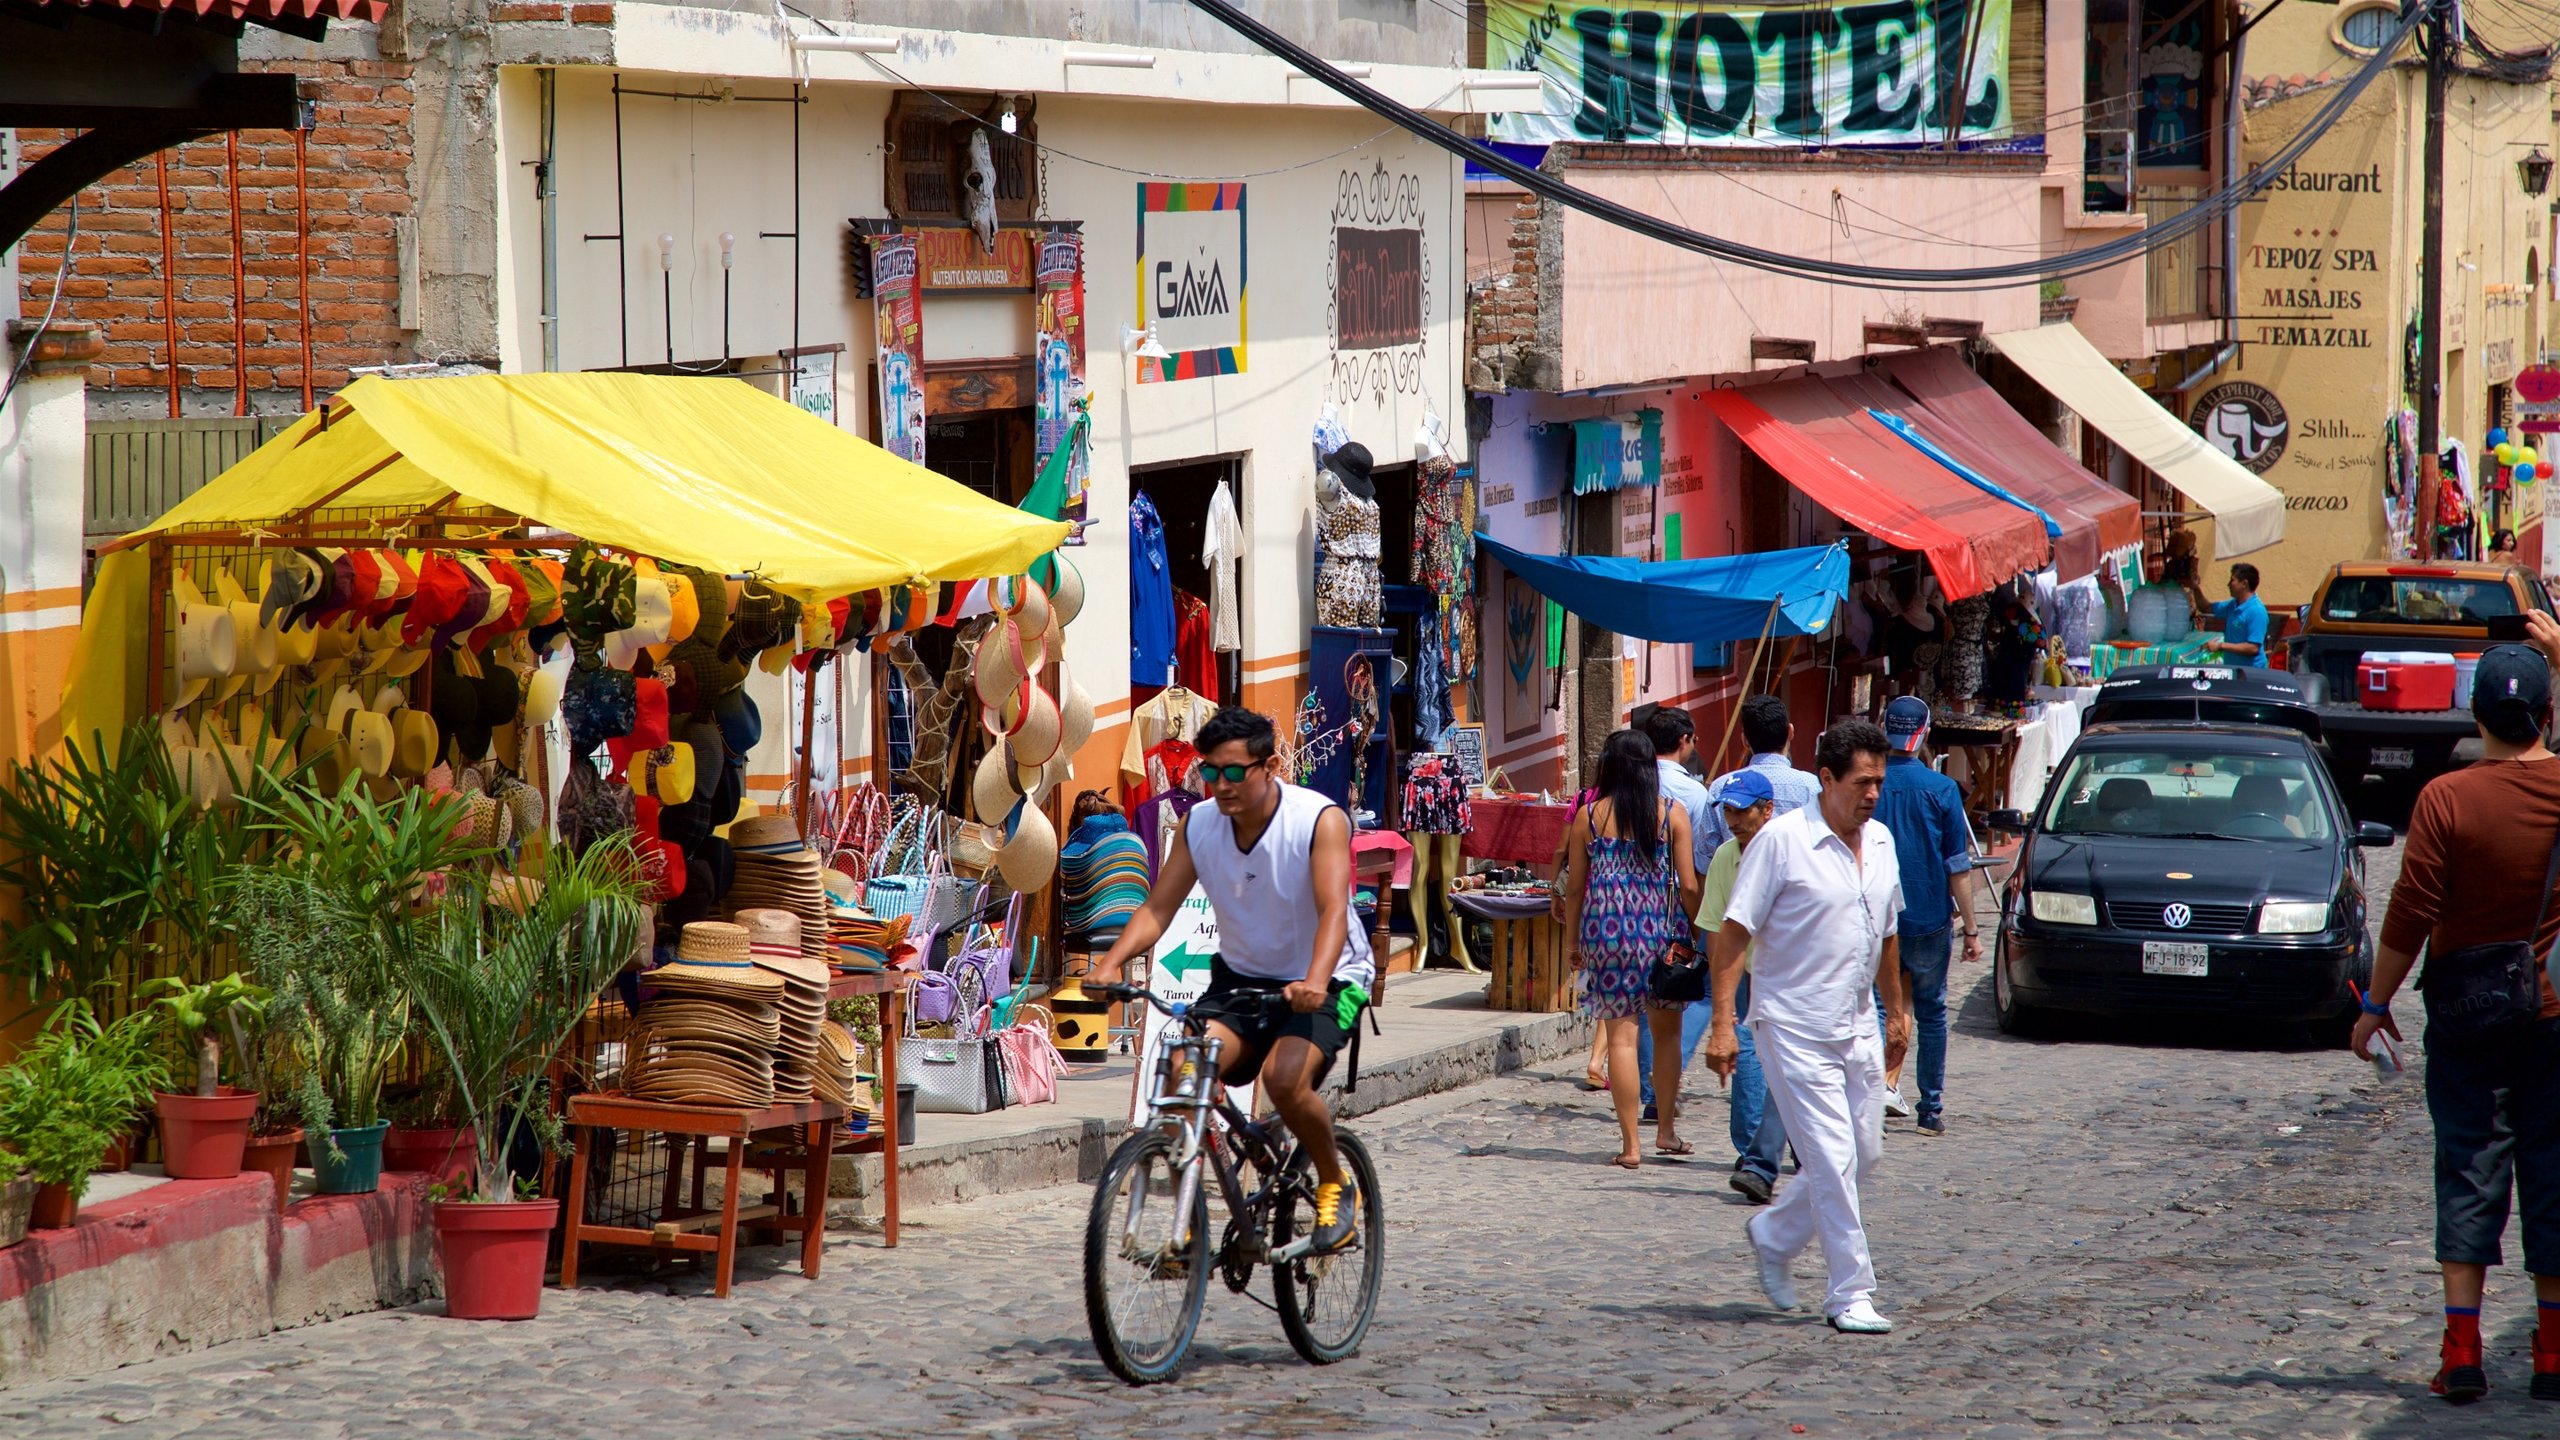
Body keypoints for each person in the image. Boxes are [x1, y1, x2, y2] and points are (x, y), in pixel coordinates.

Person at [2354, 644, 2560, 1403]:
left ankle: (2464, 1349)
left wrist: (2376, 1005)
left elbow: (2410, 912)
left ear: (2475, 714)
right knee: (2553, 1174)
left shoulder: (2444, 798)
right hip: (2553, 1016)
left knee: (2469, 1170)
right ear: (2546, 714)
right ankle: (2552, 1353)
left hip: (2469, 1013)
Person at [1092, 706, 1377, 1254]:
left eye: (1232, 772)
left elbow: (1333, 911)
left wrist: (1316, 981)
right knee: (1183, 1070)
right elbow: (1158, 908)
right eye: (1209, 772)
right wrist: (1109, 966)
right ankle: (1189, 1221)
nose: (1218, 786)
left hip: (1332, 977)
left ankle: (1335, 1184)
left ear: (1270, 765)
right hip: (1243, 979)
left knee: (1285, 1080)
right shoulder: (1198, 825)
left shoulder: (1318, 820)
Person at [1704, 719, 1913, 1334]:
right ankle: (1851, 1292)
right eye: (1861, 782)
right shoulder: (1781, 842)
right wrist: (1722, 1022)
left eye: (1879, 781)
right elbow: (1734, 932)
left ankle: (1774, 1233)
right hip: (1791, 1025)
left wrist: (1896, 1009)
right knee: (1830, 1159)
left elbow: (1887, 929)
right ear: (1826, 779)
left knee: (1865, 1151)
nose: (1873, 794)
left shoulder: (1880, 842)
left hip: (1857, 1026)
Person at [1560, 729, 1702, 1167]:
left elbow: (1576, 888)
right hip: (1660, 932)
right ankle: (1665, 1132)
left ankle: (1630, 1146)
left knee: (1620, 1039)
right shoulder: (1671, 814)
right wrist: (1695, 932)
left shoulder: (1589, 815)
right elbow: (1689, 883)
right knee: (1667, 1035)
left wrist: (1572, 941)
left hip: (1606, 933)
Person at [1874, 697, 1978, 1135]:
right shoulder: (1942, 790)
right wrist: (1972, 928)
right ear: (1925, 734)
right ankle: (1929, 1110)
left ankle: (1871, 1097)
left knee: (1878, 1009)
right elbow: (1957, 865)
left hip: (1877, 920)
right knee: (1933, 1012)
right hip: (1929, 917)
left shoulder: (1868, 785)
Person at [1698, 769, 1789, 1204]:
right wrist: (1722, 999)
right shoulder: (1725, 858)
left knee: (1793, 1062)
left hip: (1794, 976)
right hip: (1749, 974)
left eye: (1741, 812)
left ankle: (1769, 1154)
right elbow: (1717, 927)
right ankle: (1754, 1152)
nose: (1732, 820)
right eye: (1728, 812)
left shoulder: (1790, 852)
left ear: (1767, 810)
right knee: (1752, 1055)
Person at [1637, 705, 1715, 1125]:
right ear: (1684, 741)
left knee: (1646, 1004)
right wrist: (1699, 918)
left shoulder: (1630, 784)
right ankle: (1661, 1084)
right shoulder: (1694, 796)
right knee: (1686, 994)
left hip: (1630, 912)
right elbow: (1697, 867)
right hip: (1675, 912)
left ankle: (1652, 1088)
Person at [1700, 694, 1823, 852]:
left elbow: (1705, 859)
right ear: (1790, 732)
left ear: (1744, 739)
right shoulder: (1813, 787)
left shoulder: (1720, 788)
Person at [2199, 562, 2270, 666]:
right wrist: (2195, 587)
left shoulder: (2256, 611)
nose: (2228, 584)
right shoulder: (2232, 605)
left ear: (2244, 584)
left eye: (2232, 580)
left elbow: (2253, 648)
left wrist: (2221, 646)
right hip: (2234, 670)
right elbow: (2205, 608)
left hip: (2251, 674)